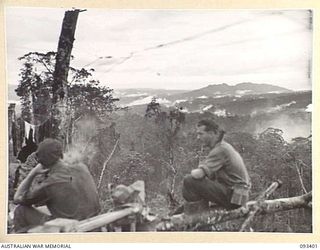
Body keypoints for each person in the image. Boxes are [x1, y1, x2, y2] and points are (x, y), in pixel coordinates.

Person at [13, 138, 100, 233]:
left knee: (21, 211)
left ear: (42, 163)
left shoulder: (51, 182)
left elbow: (17, 198)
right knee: (44, 209)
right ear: (61, 154)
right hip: (93, 224)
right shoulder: (82, 167)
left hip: (72, 229)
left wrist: (32, 174)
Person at [182, 119, 251, 211]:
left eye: (201, 134)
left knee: (189, 180)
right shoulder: (223, 146)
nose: (198, 137)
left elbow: (197, 175)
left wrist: (193, 171)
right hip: (239, 196)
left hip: (236, 198)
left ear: (211, 133)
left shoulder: (220, 150)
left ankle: (198, 215)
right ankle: (197, 211)